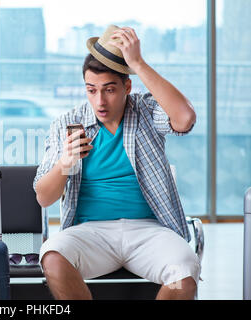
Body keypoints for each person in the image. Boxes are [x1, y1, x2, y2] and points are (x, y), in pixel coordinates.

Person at [33, 25, 201, 300]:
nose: (100, 101)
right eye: (91, 90)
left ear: (127, 86)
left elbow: (185, 119)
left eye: (109, 90)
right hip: (91, 232)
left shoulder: (145, 111)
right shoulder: (67, 123)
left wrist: (137, 62)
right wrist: (65, 163)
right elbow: (44, 197)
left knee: (185, 270)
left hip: (149, 230)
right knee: (52, 257)